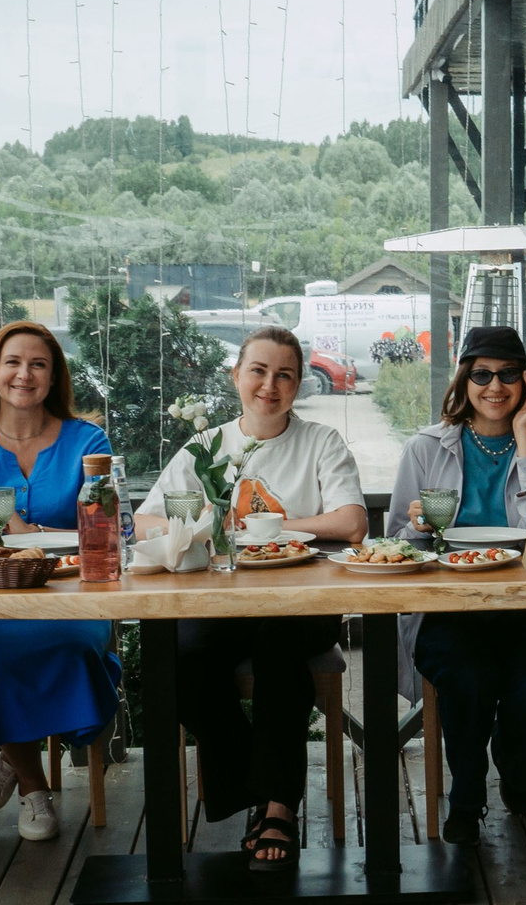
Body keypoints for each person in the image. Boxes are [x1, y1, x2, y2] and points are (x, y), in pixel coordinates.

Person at [138, 326, 368, 872]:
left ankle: (279, 808)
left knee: (278, 646)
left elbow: (353, 523)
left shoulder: (321, 442)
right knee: (178, 656)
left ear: (298, 384)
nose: (271, 384)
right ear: (236, 377)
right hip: (227, 599)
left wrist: (271, 528)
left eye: (285, 374)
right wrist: (205, 524)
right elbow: (146, 517)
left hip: (306, 599)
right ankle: (252, 780)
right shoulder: (207, 446)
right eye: (259, 371)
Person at [0, 321, 121, 841]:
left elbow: (105, 526)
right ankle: (36, 791)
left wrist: (24, 531)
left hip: (71, 593)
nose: (24, 374)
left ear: (54, 377)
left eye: (38, 364)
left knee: (75, 645)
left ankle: (11, 749)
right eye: (12, 362)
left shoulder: (87, 440)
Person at [390, 326, 526, 835]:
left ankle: (513, 750)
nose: (494, 386)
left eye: (507, 374)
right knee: (467, 682)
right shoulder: (426, 447)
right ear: (464, 378)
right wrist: (416, 526)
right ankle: (467, 795)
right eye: (481, 373)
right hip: (450, 608)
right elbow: (393, 537)